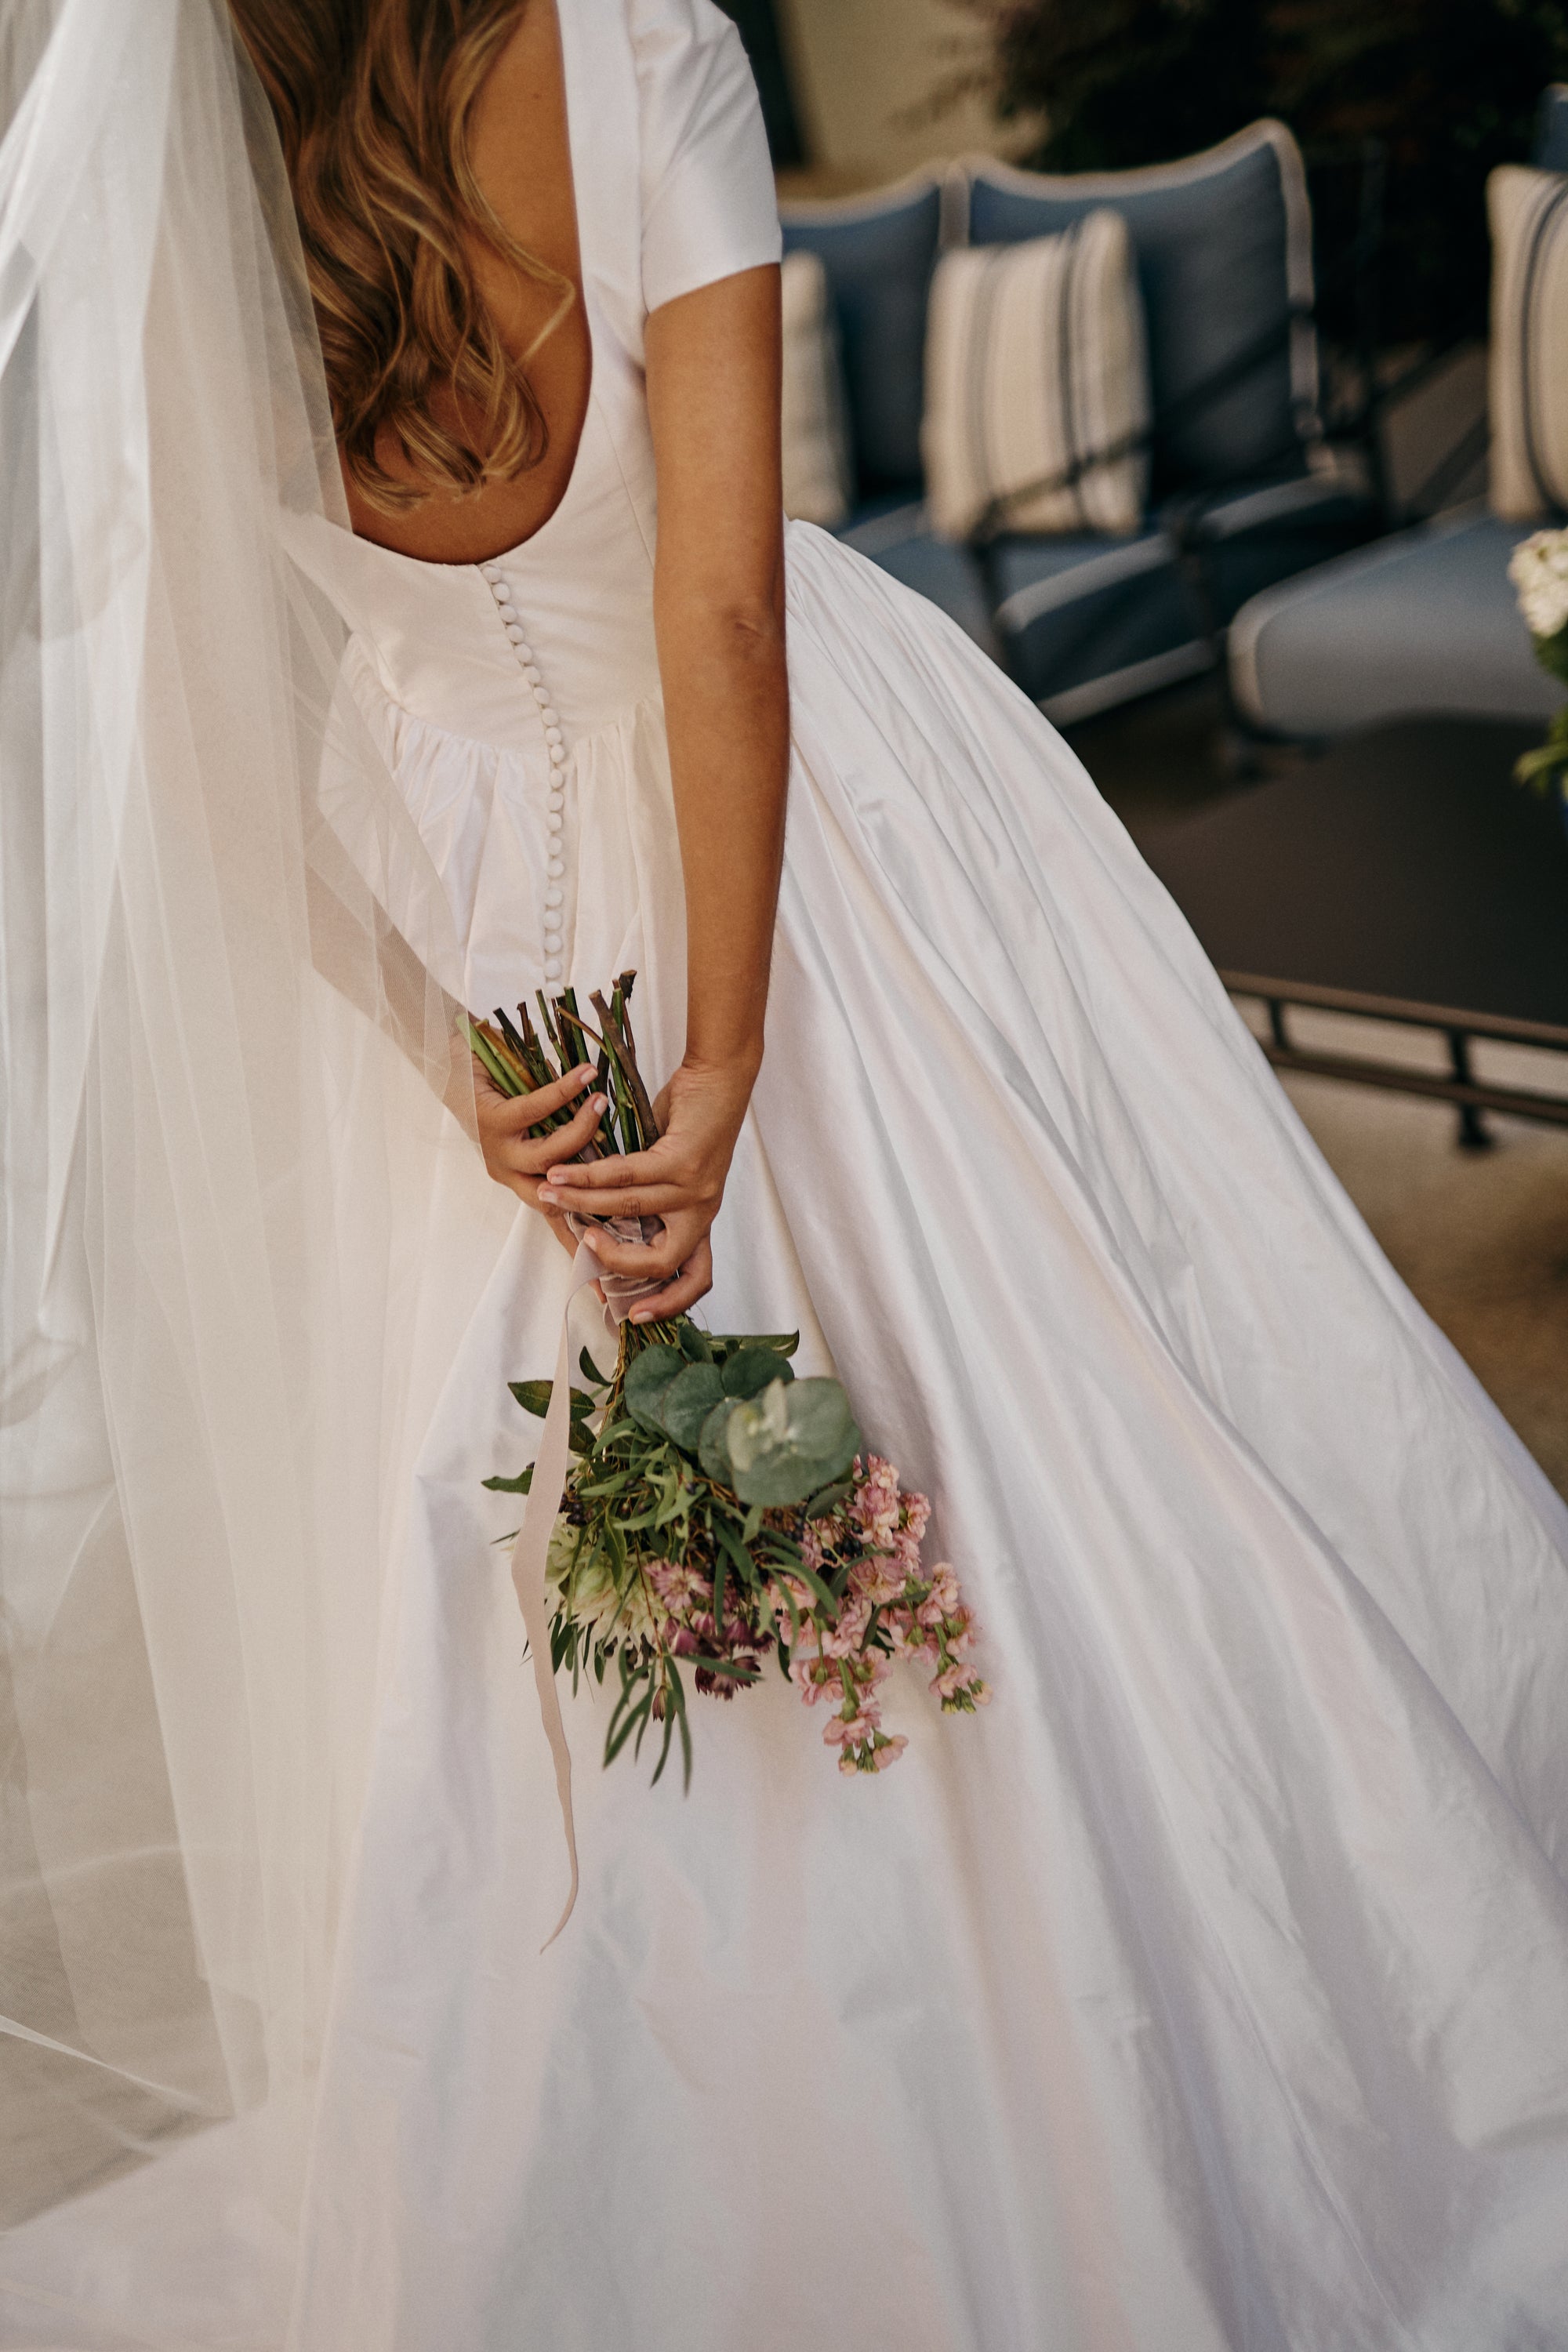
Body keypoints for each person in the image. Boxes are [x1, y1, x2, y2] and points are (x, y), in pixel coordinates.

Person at [2, 1, 1567, 2345]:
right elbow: (720, 614)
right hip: (816, 840)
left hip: (468, 909)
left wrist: (465, 1067)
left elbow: (196, 738)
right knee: (1090, 1415)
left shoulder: (183, 160)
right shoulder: (647, 48)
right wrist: (725, 1055)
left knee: (525, 1583)